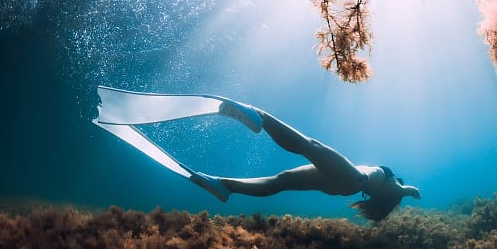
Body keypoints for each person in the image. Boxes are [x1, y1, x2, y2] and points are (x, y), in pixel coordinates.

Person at [93, 86, 421, 220]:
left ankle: (259, 116)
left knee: (312, 147)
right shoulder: (386, 188)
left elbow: (404, 189)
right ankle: (225, 185)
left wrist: (410, 189)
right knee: (281, 180)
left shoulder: (395, 187)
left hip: (352, 178)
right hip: (341, 184)